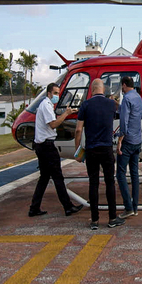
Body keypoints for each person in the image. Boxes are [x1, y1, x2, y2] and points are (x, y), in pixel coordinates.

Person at [74, 78, 125, 230]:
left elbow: (78, 129)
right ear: (103, 89)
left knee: (93, 183)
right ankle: (112, 218)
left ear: (92, 89)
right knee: (110, 182)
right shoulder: (110, 104)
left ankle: (94, 220)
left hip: (91, 149)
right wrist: (114, 101)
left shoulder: (85, 105)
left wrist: (78, 150)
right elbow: (123, 111)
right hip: (106, 148)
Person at [28, 83, 84, 218]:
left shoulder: (46, 105)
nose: (57, 96)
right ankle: (68, 206)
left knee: (44, 178)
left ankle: (34, 208)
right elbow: (53, 124)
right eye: (55, 93)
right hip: (47, 147)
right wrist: (66, 113)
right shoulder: (46, 105)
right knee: (58, 177)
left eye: (58, 93)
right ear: (49, 93)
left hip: (42, 146)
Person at [116, 76, 142, 218]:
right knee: (134, 174)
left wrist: (120, 140)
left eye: (121, 86)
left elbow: (124, 121)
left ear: (124, 85)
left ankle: (128, 207)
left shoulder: (126, 98)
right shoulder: (138, 97)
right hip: (137, 140)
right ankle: (135, 207)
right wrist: (118, 106)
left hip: (127, 142)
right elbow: (134, 116)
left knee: (120, 174)